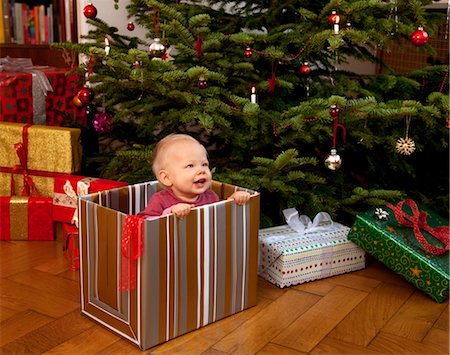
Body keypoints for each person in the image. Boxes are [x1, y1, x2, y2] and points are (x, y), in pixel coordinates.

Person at [138, 134, 251, 219]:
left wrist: (232, 200)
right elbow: (146, 222)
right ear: (166, 178)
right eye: (190, 165)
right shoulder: (160, 199)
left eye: (204, 164)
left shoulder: (210, 196)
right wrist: (170, 212)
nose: (201, 170)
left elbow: (218, 214)